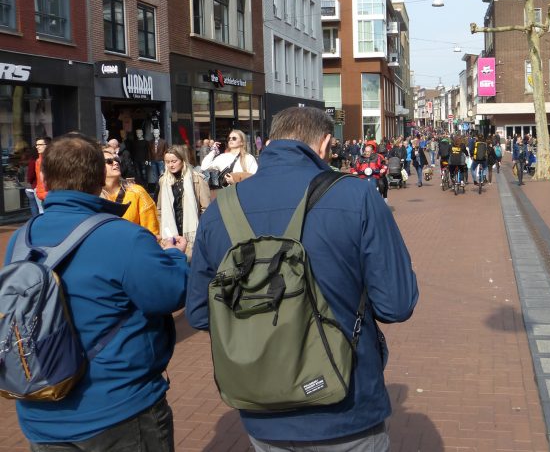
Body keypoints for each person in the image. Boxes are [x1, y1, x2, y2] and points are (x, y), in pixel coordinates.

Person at [186, 107, 418, 451]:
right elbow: (396, 304)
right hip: (346, 407)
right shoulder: (357, 195)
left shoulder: (221, 209)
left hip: (261, 408)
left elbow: (200, 313)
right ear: (324, 144)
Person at [6, 133, 188, 450]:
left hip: (41, 409)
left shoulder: (22, 240)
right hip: (118, 411)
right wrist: (176, 256)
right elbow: (170, 294)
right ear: (98, 178)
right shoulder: (123, 236)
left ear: (45, 178)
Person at [157, 145, 211, 259]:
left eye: (174, 161)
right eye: (167, 162)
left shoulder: (197, 179)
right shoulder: (163, 181)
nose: (170, 165)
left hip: (192, 232)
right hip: (171, 233)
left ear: (182, 160)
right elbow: (160, 209)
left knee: (192, 263)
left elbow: (206, 208)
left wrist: (202, 230)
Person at [101, 146, 159, 238]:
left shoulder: (137, 192)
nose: (115, 163)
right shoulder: (92, 196)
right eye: (109, 161)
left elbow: (152, 234)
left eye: (116, 160)